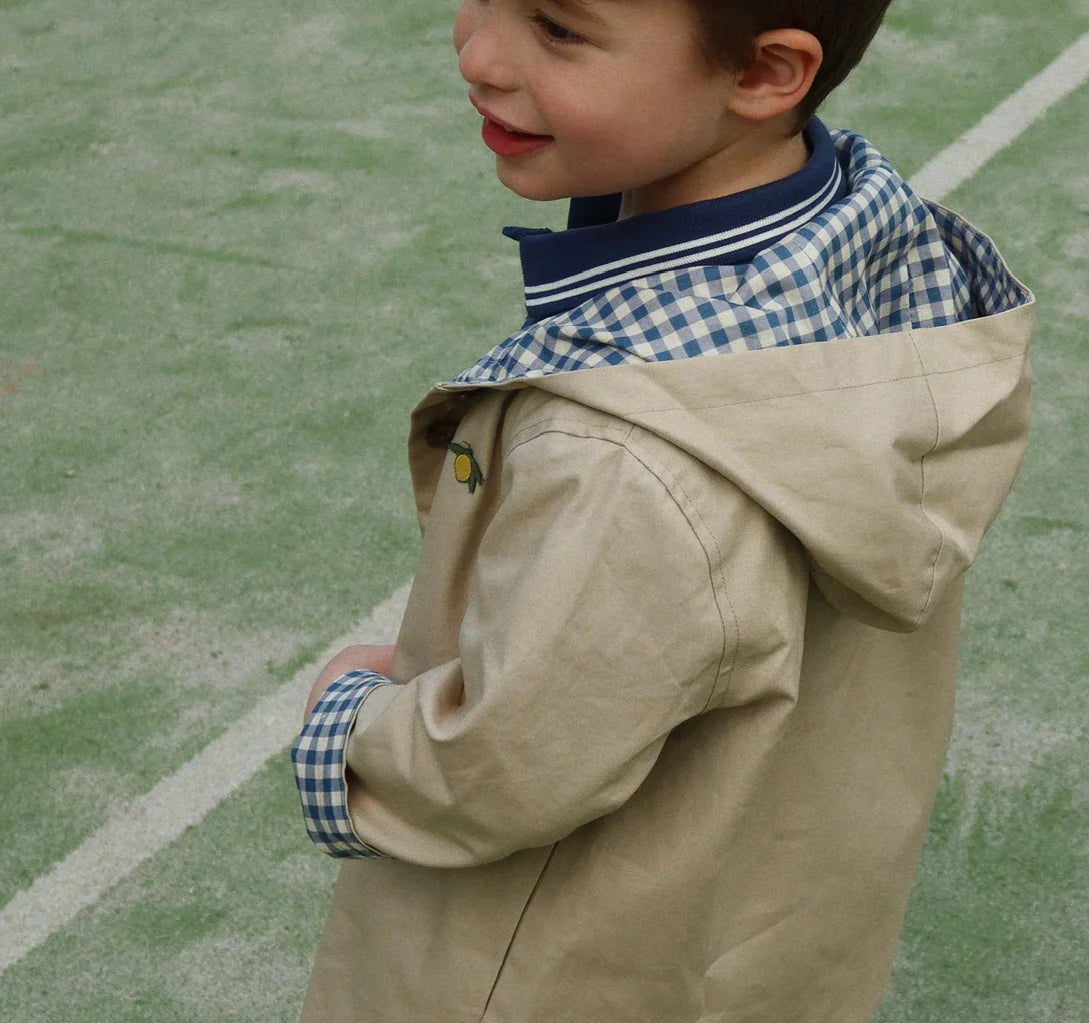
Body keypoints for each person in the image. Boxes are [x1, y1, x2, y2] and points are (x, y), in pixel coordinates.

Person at [290, 0, 1034, 1018]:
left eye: (557, 28)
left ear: (765, 74)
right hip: (748, 932)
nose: (478, 50)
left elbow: (503, 765)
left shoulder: (625, 460)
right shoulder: (876, 241)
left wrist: (348, 719)